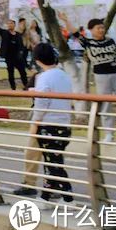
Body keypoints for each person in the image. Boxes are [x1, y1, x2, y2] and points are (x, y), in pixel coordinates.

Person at [63, 15, 116, 143]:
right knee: (105, 106)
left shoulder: (110, 41)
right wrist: (66, 20)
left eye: (103, 28)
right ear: (91, 30)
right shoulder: (88, 43)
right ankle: (109, 134)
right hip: (101, 76)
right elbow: (75, 33)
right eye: (98, 28)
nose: (101, 30)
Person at [30, 43, 74, 203]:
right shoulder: (63, 75)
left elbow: (42, 103)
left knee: (54, 163)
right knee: (53, 160)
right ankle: (46, 197)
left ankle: (68, 197)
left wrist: (35, 123)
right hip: (64, 123)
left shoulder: (43, 77)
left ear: (37, 60)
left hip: (49, 125)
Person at [0, 19, 29, 90]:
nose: (10, 25)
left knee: (23, 72)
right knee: (10, 72)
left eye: (11, 23)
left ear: (14, 25)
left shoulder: (18, 35)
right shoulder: (4, 33)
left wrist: (21, 52)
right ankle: (13, 87)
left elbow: (21, 45)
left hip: (18, 57)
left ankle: (26, 85)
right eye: (8, 23)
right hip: (9, 56)